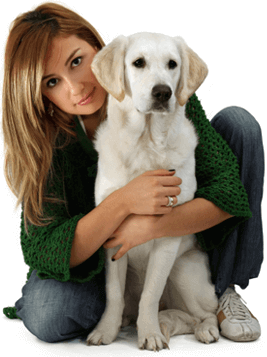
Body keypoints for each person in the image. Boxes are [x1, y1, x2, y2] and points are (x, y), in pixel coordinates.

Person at [2, 2, 264, 345]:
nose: (76, 87)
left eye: (77, 61)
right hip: (94, 260)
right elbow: (43, 250)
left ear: (98, 48)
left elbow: (229, 192)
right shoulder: (52, 144)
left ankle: (224, 291)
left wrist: (152, 224)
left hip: (180, 244)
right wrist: (124, 202)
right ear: (41, 94)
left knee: (239, 124)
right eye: (53, 81)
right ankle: (117, 307)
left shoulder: (169, 100)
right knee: (47, 311)